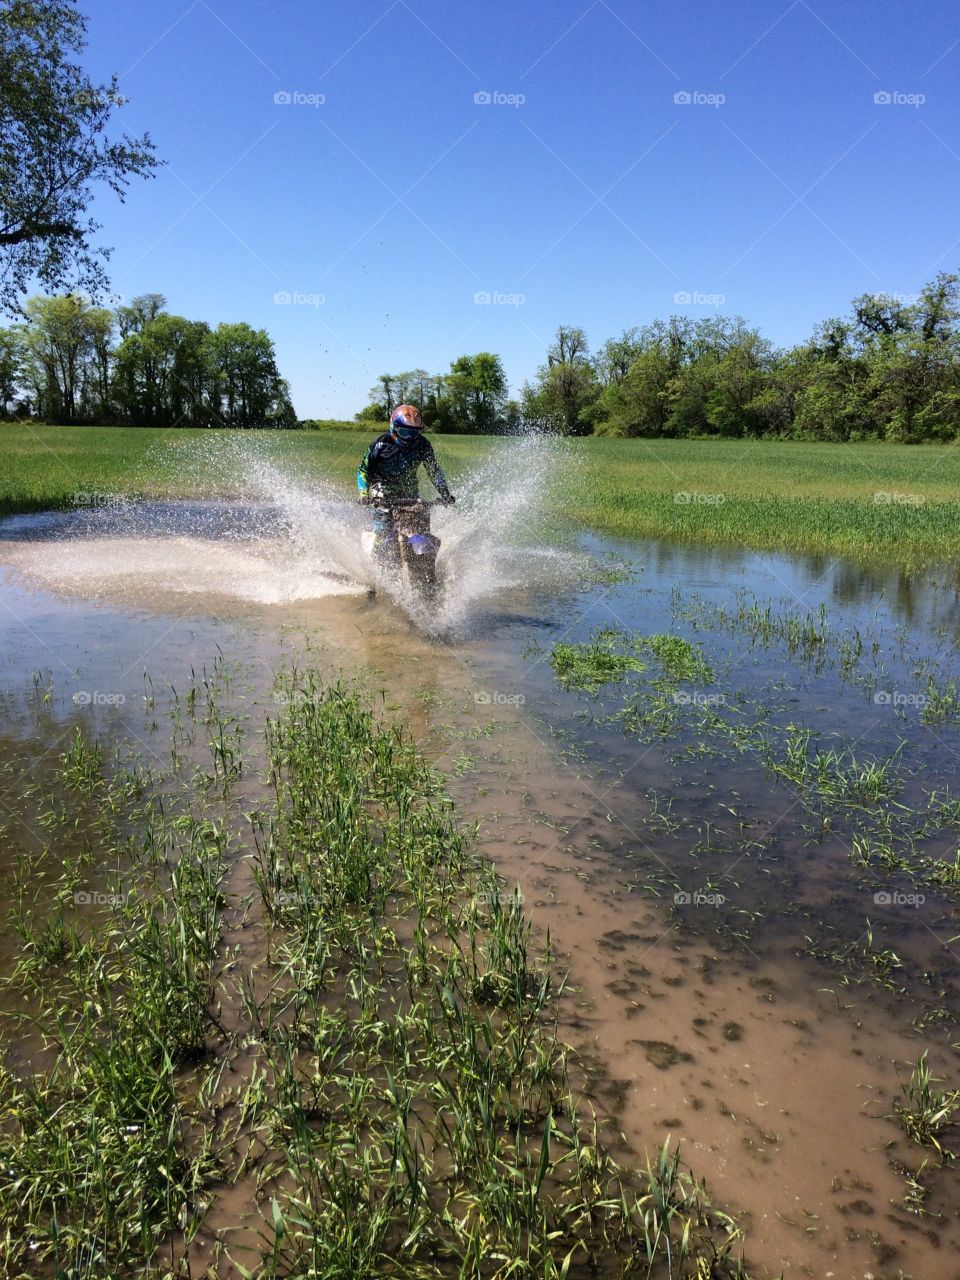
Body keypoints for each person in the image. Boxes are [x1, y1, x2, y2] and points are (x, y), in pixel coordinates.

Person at [357, 404, 455, 565]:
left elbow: (433, 470)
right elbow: (363, 471)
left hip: (410, 493)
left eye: (415, 433)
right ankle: (377, 567)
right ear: (393, 427)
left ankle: (425, 567)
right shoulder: (380, 445)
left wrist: (445, 493)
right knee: (383, 533)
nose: (410, 438)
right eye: (405, 432)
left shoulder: (423, 445)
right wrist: (363, 494)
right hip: (382, 492)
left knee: (420, 530)